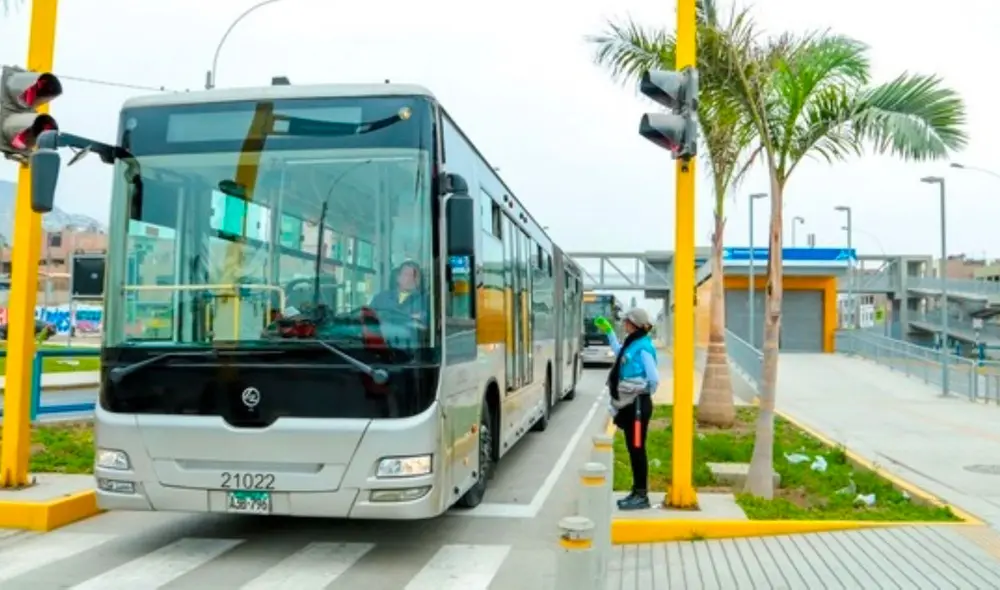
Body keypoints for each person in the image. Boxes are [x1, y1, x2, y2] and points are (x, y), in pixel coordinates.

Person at [594, 307, 660, 511]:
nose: (624, 324)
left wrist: (639, 392)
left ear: (634, 324)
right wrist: (608, 332)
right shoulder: (632, 343)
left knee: (638, 448)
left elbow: (654, 379)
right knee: (633, 448)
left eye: (626, 322)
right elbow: (618, 350)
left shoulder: (643, 347)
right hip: (632, 404)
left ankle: (641, 495)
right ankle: (636, 491)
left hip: (638, 405)